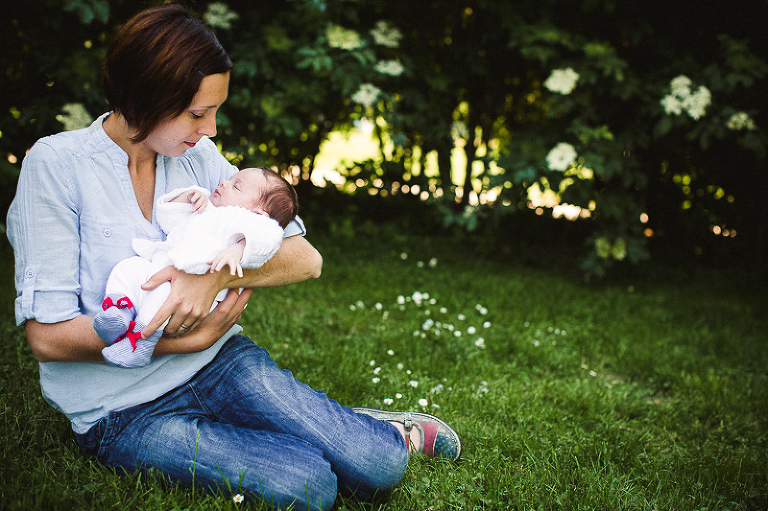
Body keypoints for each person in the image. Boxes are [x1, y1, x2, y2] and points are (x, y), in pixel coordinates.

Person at [5, 4, 461, 511]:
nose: (213, 130)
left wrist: (210, 280)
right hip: (124, 411)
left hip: (219, 363)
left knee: (381, 465)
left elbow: (305, 257)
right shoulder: (56, 166)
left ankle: (353, 428)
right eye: (198, 114)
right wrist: (182, 342)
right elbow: (47, 337)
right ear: (144, 95)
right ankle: (317, 430)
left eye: (214, 112)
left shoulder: (196, 158)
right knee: (309, 487)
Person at [94, 167, 297, 368]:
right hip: (161, 268)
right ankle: (119, 312)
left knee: (162, 298)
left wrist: (238, 250)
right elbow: (168, 219)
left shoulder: (252, 224)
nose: (224, 183)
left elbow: (266, 241)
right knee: (129, 268)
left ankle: (141, 342)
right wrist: (187, 198)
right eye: (229, 179)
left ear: (259, 214)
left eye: (236, 186)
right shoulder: (208, 209)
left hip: (196, 295)